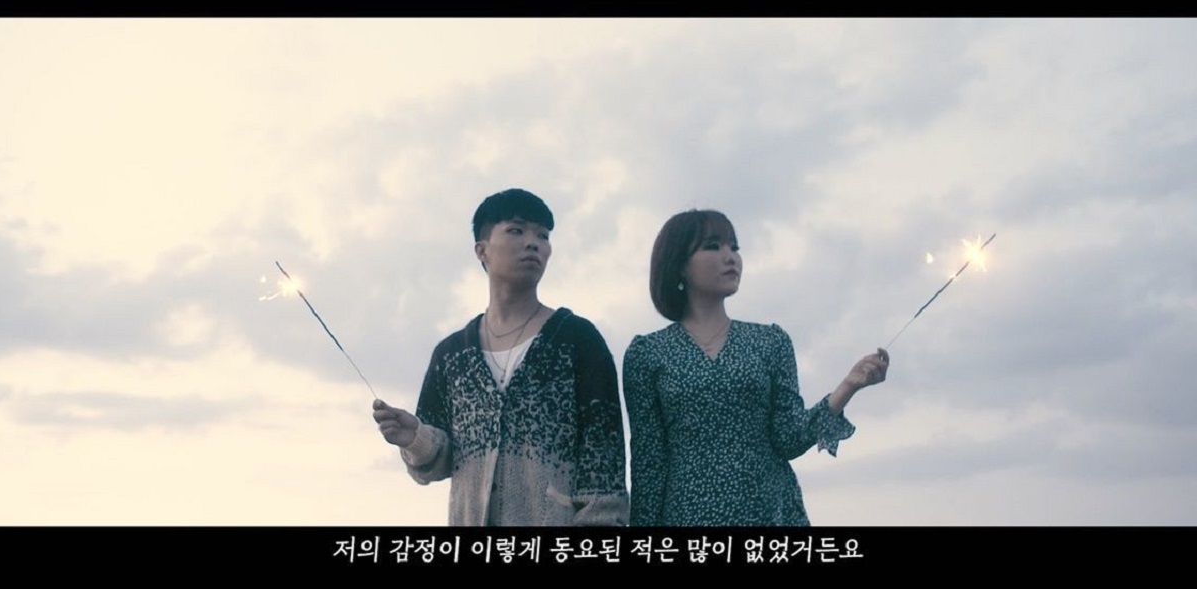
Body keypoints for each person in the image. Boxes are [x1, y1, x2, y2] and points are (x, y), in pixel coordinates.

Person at [372, 188, 629, 526]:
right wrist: (415, 438)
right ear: (482, 250)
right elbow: (439, 464)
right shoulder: (452, 356)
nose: (533, 243)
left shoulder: (577, 342)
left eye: (543, 235)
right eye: (516, 230)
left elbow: (604, 467)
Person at [622, 209, 890, 526]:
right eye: (713, 246)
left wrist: (848, 386)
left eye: (734, 247)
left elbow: (789, 437)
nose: (730, 257)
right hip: (687, 517)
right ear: (679, 264)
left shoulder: (770, 341)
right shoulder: (648, 353)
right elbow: (649, 463)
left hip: (769, 514)